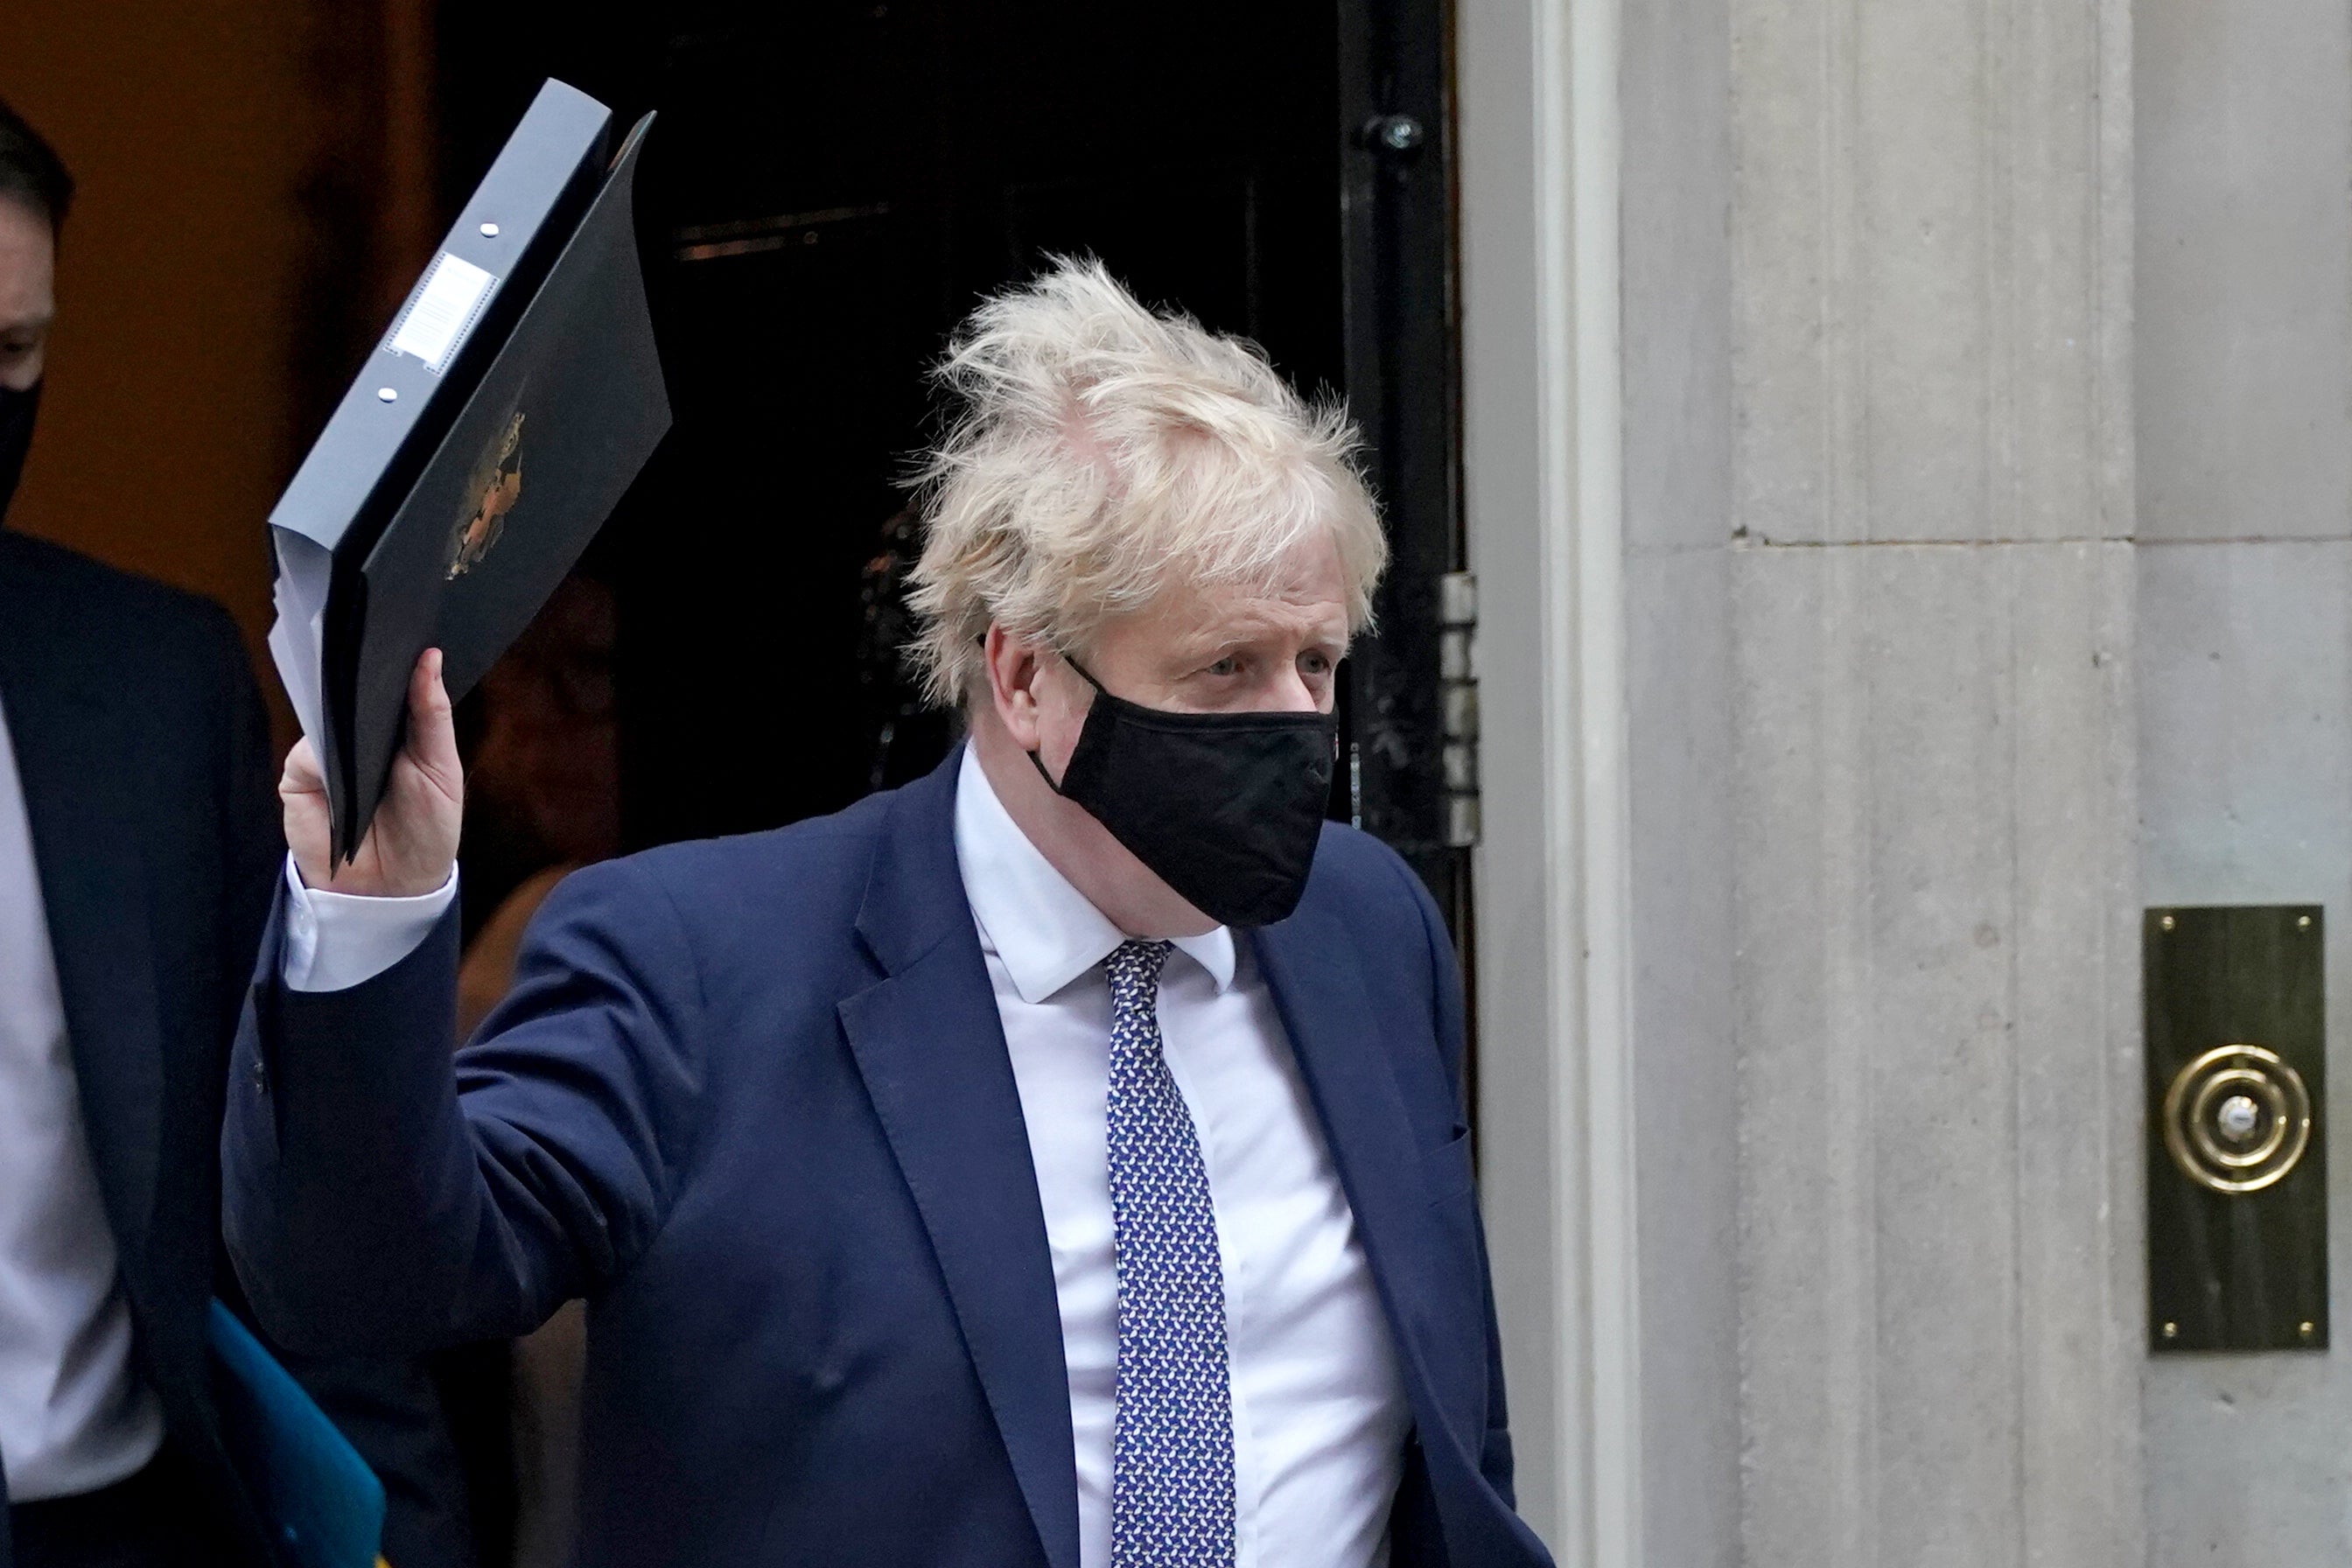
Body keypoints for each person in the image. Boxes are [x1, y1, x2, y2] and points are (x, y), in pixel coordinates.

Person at [225, 259, 1555, 1567]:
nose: (1295, 725)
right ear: (1026, 675)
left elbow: (1445, 1434)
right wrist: (374, 917)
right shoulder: (700, 960)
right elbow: (372, 1278)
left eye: (1314, 661)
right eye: (1225, 670)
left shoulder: (1364, 926)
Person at [0, 99, 465, 1568]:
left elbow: (284, 1180)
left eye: (14, 353)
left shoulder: (146, 689)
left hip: (120, 1524)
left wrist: (402, 1532)